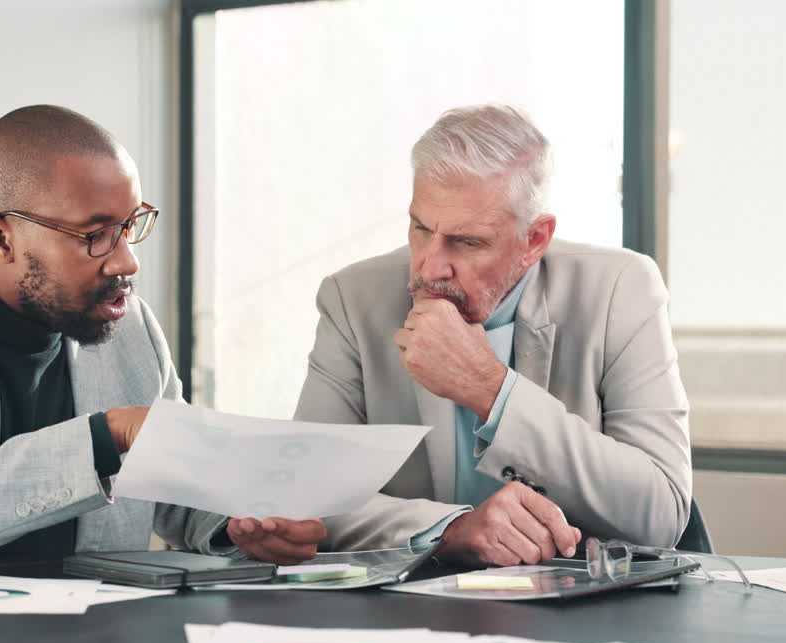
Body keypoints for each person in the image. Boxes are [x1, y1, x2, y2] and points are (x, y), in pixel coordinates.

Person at [0, 105, 324, 574]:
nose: (127, 261)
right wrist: (106, 436)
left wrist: (246, 525)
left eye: (130, 225)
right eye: (95, 234)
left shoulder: (132, 328)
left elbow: (174, 496)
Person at [295, 104, 691, 567]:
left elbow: (660, 512)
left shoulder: (620, 289)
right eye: (421, 229)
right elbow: (306, 491)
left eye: (468, 242)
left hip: (578, 606)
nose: (429, 266)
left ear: (535, 240)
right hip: (410, 603)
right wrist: (448, 531)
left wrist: (491, 389)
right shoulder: (353, 297)